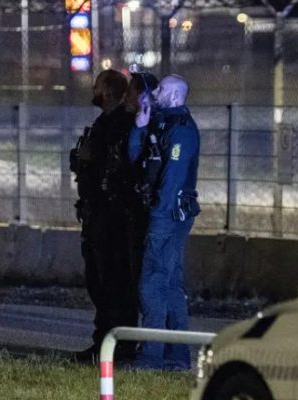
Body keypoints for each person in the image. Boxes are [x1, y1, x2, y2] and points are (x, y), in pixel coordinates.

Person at [128, 74, 201, 371]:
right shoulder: (161, 124)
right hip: (164, 213)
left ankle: (151, 355)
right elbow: (136, 159)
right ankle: (176, 356)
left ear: (174, 96)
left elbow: (172, 180)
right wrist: (140, 127)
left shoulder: (181, 130)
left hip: (168, 216)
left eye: (161, 89)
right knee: (169, 284)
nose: (155, 93)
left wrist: (158, 216)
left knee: (151, 283)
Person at [69, 69, 140, 363]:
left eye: (97, 86)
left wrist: (90, 159)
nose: (94, 91)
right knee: (98, 283)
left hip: (112, 218)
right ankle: (103, 342)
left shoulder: (121, 124)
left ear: (108, 91)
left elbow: (112, 166)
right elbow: (82, 160)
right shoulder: (103, 122)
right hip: (96, 214)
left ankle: (117, 345)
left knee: (114, 283)